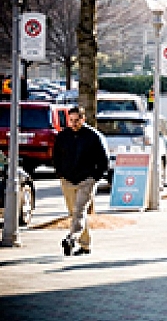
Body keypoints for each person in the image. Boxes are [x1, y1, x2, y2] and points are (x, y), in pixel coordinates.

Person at [53, 106, 109, 256]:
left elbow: (104, 160)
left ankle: (71, 238)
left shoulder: (93, 136)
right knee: (74, 213)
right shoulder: (62, 136)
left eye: (77, 120)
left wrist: (95, 177)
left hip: (87, 180)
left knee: (79, 211)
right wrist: (60, 174)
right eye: (71, 120)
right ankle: (85, 245)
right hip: (68, 180)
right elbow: (56, 157)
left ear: (83, 119)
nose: (73, 123)